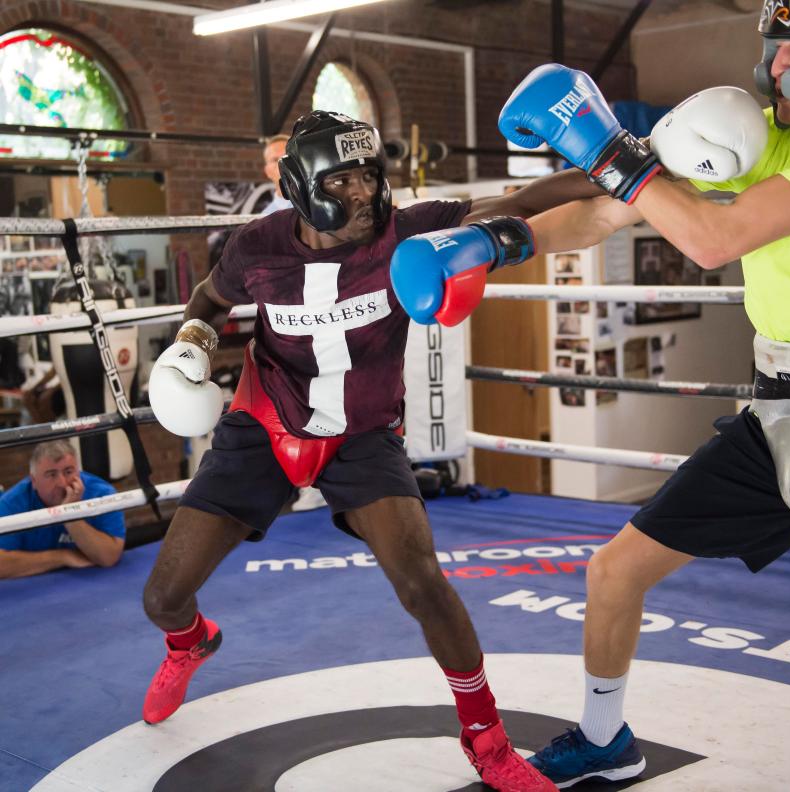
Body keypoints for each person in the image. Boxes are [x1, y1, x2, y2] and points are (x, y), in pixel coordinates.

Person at [391, 0, 790, 786]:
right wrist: (491, 244)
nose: (773, 69)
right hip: (778, 417)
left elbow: (709, 238)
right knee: (614, 571)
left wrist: (605, 142)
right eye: (773, 50)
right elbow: (603, 214)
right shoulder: (770, 135)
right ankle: (604, 739)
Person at [143, 109, 604, 791]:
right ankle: (192, 643)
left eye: (368, 176)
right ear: (301, 186)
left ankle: (488, 741)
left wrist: (627, 162)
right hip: (266, 425)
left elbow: (520, 201)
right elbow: (210, 301)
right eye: (343, 180)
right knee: (162, 596)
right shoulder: (258, 246)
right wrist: (191, 346)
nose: (362, 194)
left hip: (364, 436)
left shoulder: (411, 230)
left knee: (424, 584)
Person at [261, 131, 323, 512]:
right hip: (284, 318)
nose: (275, 165)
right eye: (270, 159)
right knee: (289, 401)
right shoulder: (268, 214)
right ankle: (303, 479)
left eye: (282, 156)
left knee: (324, 395)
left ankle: (320, 480)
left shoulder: (320, 205)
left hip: (321, 312)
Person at [0, 439, 125, 579]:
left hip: (90, 586)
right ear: (34, 481)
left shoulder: (101, 494)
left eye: (68, 472)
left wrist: (71, 517)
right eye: (51, 474)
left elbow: (109, 557)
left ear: (78, 472)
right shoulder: (12, 503)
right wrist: (62, 557)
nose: (62, 483)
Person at [260, 133, 293, 216]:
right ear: (267, 171)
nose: (282, 163)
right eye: (275, 160)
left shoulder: (318, 205)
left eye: (286, 157)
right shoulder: (265, 218)